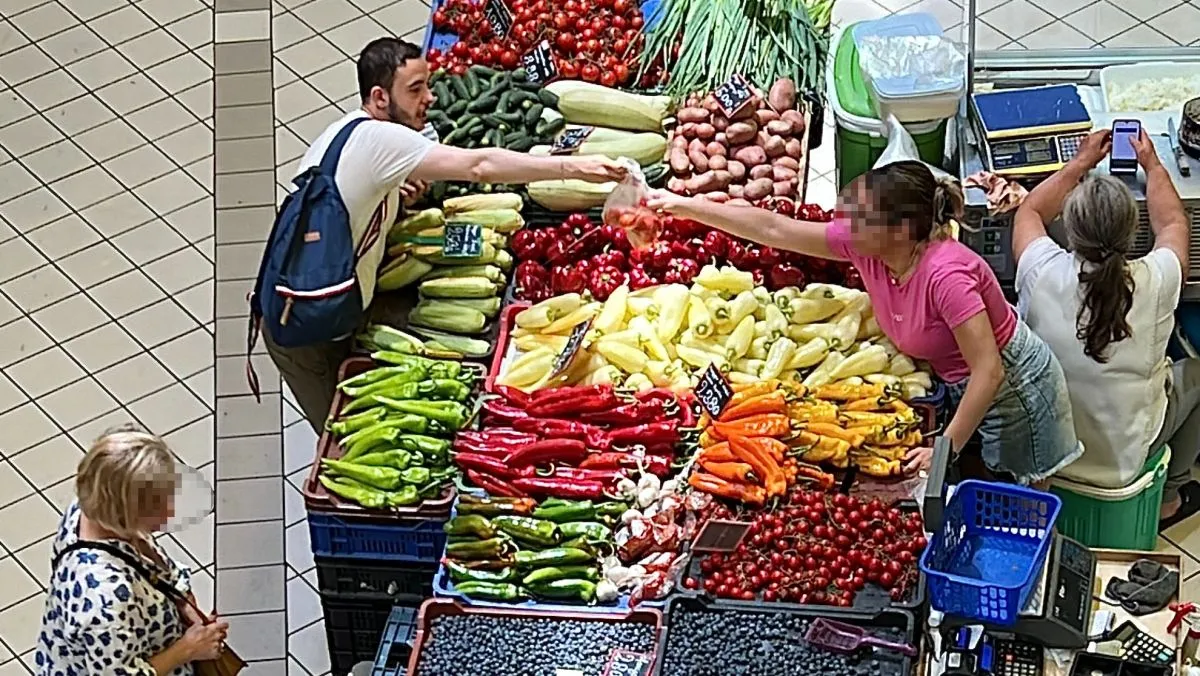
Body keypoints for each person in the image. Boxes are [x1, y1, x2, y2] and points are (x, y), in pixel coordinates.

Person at [263, 37, 626, 431]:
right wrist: (574, 168)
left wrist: (396, 199)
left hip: (333, 302)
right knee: (346, 430)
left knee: (364, 406)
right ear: (380, 97)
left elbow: (355, 197)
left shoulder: (346, 132)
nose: (430, 99)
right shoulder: (379, 139)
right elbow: (480, 166)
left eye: (428, 85)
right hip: (305, 326)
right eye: (415, 90)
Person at [647, 161, 1082, 485]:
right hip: (960, 382)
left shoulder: (948, 274)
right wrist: (680, 205)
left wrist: (943, 450)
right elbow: (774, 228)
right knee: (972, 481)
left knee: (1010, 499)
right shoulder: (865, 247)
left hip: (1013, 394)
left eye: (859, 215)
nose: (844, 222)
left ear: (901, 229)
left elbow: (990, 371)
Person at [1013, 128, 1199, 526]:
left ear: (1070, 229)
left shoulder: (1039, 270)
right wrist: (1151, 163)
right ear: (1132, 232)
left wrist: (1079, 163)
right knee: (1197, 373)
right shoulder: (1157, 279)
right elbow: (1172, 224)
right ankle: (1171, 495)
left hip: (1045, 456)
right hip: (1123, 460)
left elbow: (1029, 211)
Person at [35, 425, 228, 675]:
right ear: (123, 512)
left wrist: (182, 603)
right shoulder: (104, 600)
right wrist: (189, 648)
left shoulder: (88, 512)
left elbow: (149, 565)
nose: (170, 510)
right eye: (157, 505)